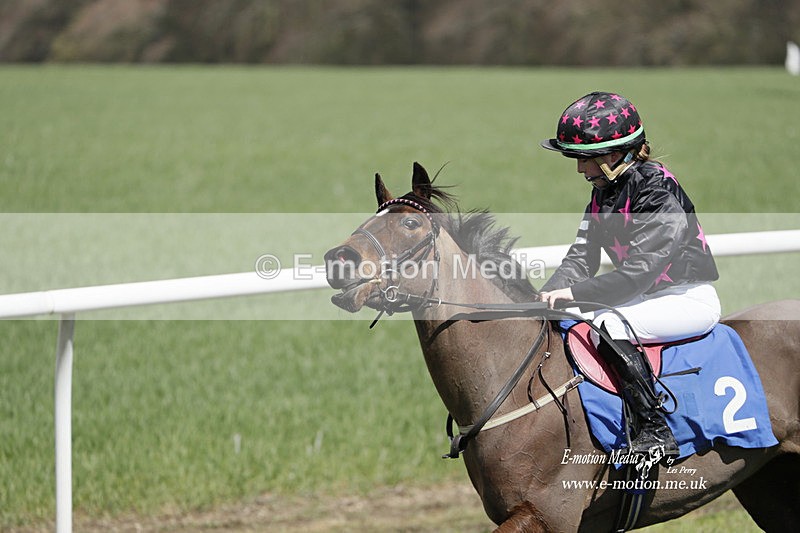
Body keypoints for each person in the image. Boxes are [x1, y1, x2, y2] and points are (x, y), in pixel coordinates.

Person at [538, 91, 721, 461]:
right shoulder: (602, 194)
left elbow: (637, 274)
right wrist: (546, 295)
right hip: (648, 299)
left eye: (584, 159)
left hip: (686, 298)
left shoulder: (657, 189)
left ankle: (654, 430)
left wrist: (573, 294)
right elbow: (580, 258)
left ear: (614, 153)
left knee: (609, 327)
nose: (579, 169)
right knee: (565, 323)